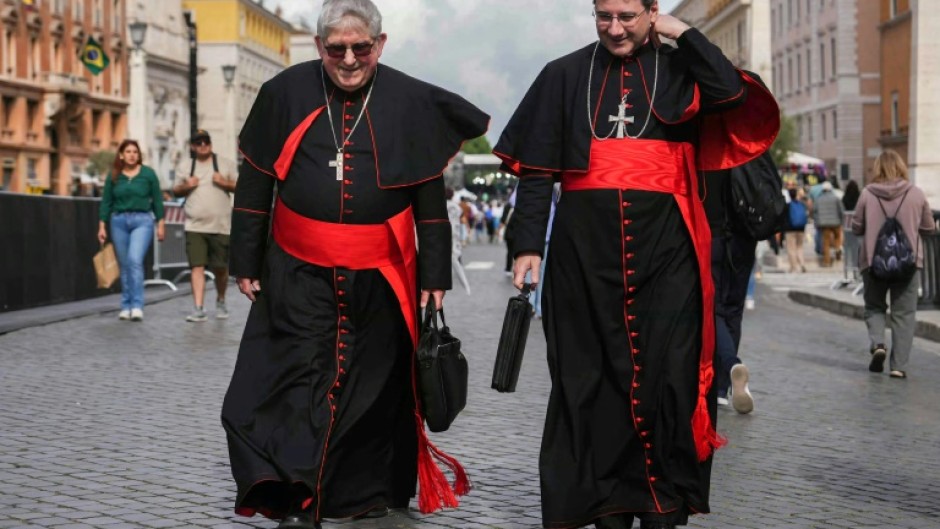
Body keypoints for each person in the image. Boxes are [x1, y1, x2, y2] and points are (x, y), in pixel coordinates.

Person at [493, 1, 779, 527]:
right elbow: (535, 170)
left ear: (652, 12)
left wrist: (683, 33)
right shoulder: (562, 75)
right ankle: (606, 503)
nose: (614, 28)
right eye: (603, 15)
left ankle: (665, 503)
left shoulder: (681, 67)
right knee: (591, 382)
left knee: (669, 380)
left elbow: (731, 92)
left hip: (668, 254)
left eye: (627, 15)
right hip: (583, 259)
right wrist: (527, 244)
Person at [219, 2, 489, 528]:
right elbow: (255, 183)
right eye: (336, 48)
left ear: (379, 45)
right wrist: (244, 260)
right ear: (320, 47)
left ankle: (364, 493)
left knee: (371, 389)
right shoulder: (285, 93)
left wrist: (434, 276)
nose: (348, 59)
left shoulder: (409, 101)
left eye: (360, 48)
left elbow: (428, 198)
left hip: (379, 274)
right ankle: (297, 497)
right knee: (294, 382)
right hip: (297, 270)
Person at [851, 150, 936, 379]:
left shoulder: (868, 194)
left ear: (877, 168)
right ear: (901, 167)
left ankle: (878, 343)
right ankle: (898, 366)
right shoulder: (915, 193)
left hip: (873, 260)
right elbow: (929, 228)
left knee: (874, 307)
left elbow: (856, 226)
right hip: (908, 263)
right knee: (904, 314)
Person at [172, 129, 238, 322]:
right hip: (194, 226)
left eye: (205, 142)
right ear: (192, 146)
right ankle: (198, 308)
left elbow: (241, 186)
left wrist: (224, 182)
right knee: (196, 267)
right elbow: (175, 190)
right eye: (198, 142)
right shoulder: (186, 166)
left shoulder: (225, 164)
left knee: (220, 269)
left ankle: (221, 299)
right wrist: (187, 186)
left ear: (210, 143)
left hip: (221, 226)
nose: (203, 145)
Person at [97, 139, 165, 321]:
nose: (132, 155)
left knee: (134, 260)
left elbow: (157, 200)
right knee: (125, 264)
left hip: (142, 221)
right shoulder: (114, 176)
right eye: (128, 151)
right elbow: (106, 202)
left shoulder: (148, 175)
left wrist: (161, 224)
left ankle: (137, 305)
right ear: (121, 155)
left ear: (139, 155)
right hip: (118, 221)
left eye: (135, 151)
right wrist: (102, 225)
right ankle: (125, 305)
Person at [813, 181, 844, 266]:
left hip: (824, 223)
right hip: (836, 222)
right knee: (837, 237)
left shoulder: (818, 199)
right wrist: (842, 221)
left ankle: (827, 261)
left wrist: (816, 222)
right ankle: (838, 249)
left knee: (826, 243)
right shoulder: (836, 198)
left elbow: (815, 212)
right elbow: (841, 210)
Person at [784, 187, 810, 273]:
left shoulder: (787, 205)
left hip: (790, 229)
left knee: (791, 248)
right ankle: (802, 264)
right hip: (801, 228)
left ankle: (794, 267)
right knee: (800, 247)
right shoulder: (801, 204)